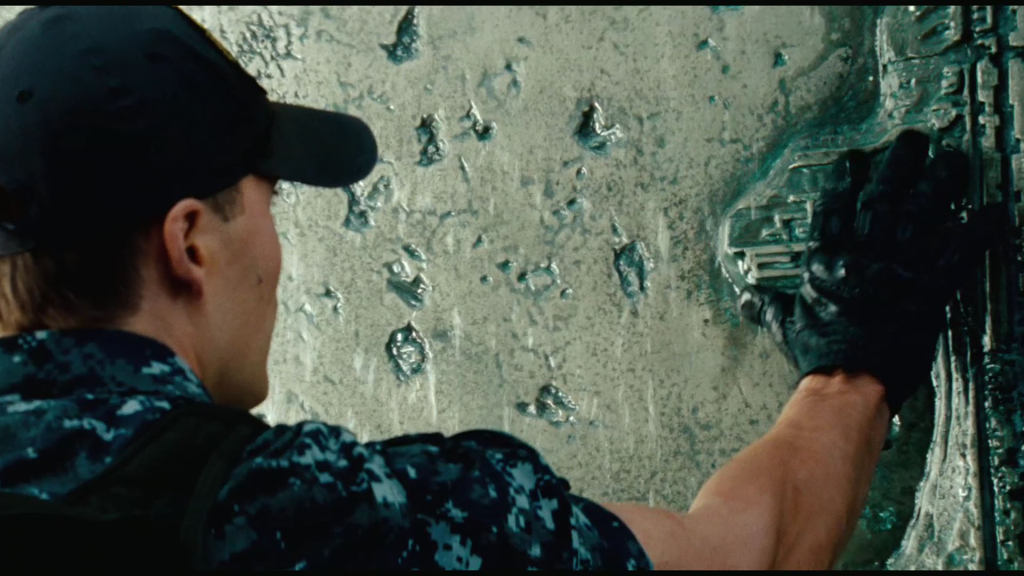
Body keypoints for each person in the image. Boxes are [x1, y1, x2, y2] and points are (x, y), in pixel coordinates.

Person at [0, 6, 1002, 570]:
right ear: (190, 242)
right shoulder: (302, 520)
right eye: (269, 197)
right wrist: (851, 368)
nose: (275, 248)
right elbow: (743, 554)